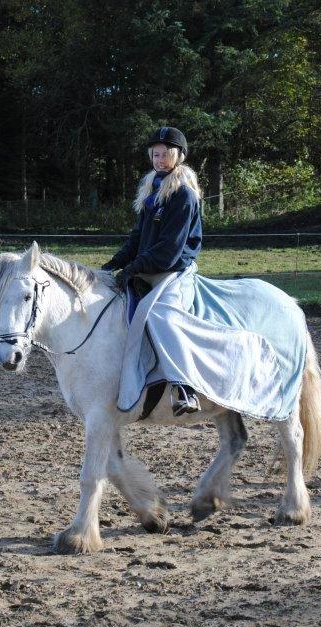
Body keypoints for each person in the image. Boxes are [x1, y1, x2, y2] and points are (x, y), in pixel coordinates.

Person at [102, 126, 204, 415]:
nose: (159, 160)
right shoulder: (152, 190)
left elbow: (168, 249)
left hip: (173, 269)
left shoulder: (184, 195)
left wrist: (133, 268)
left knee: (163, 317)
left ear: (178, 156)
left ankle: (186, 388)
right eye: (155, 154)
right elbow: (138, 238)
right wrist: (114, 264)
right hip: (148, 266)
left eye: (165, 154)